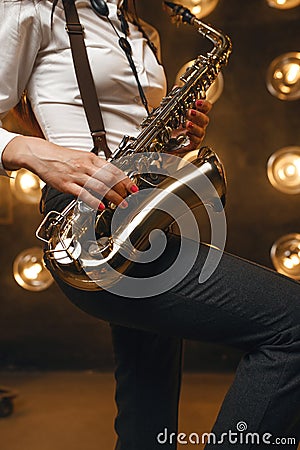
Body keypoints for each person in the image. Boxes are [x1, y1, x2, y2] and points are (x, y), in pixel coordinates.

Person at [0, 1, 299, 449]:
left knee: (147, 410)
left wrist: (177, 142)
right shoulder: (32, 7)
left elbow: (137, 136)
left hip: (147, 209)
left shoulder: (144, 31)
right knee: (291, 324)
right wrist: (32, 151)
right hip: (88, 220)